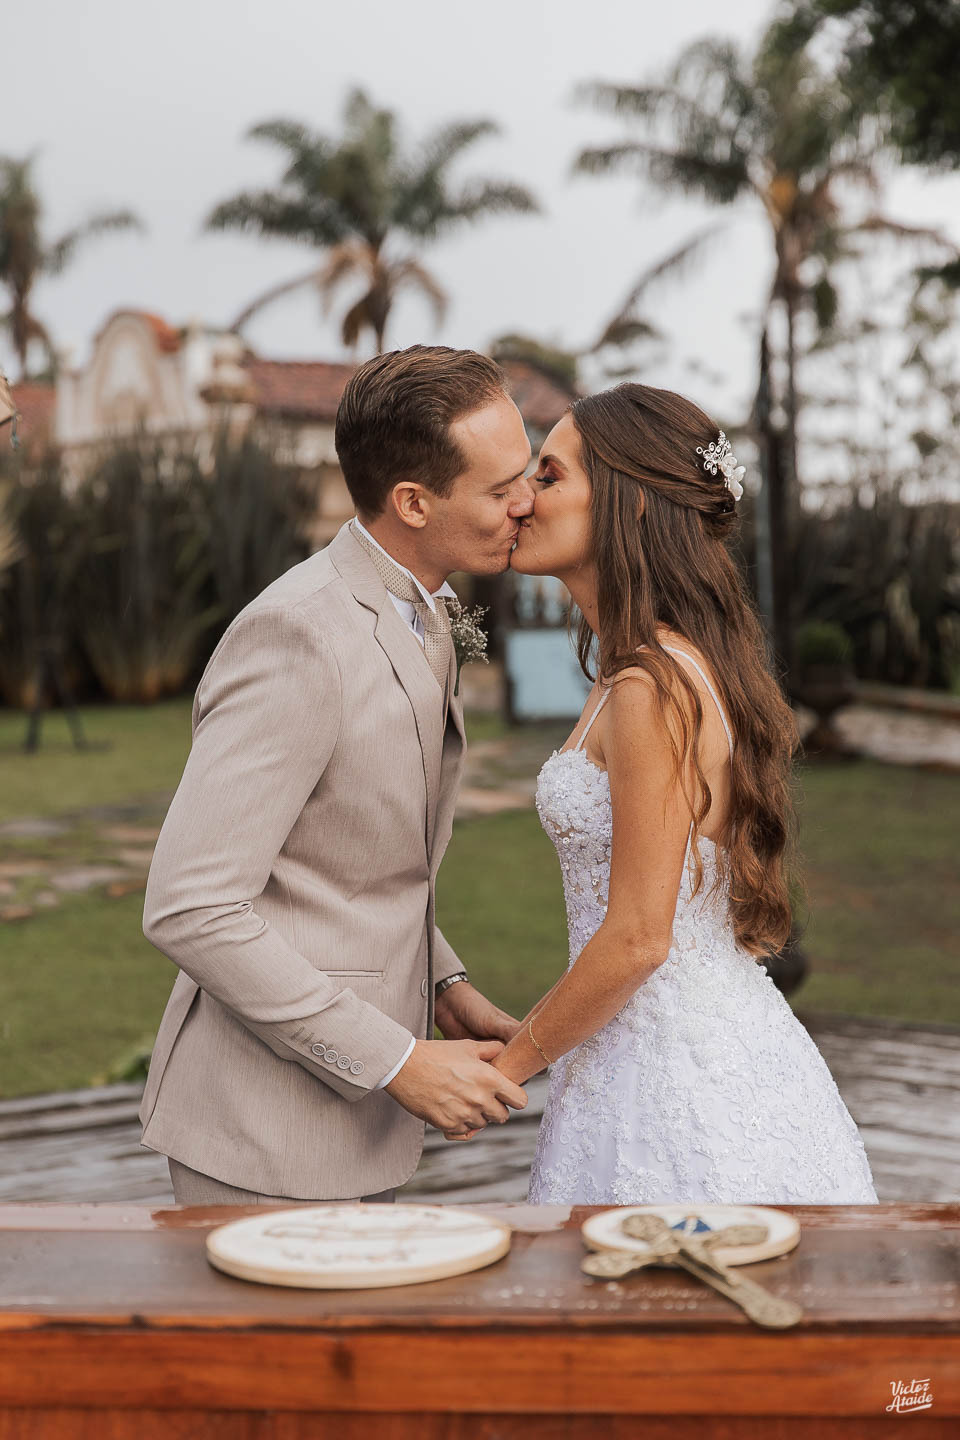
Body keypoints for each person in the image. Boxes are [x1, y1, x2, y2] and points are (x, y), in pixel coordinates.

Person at [451, 382, 879, 1205]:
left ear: (630, 507)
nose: (521, 500)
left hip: (673, 1083)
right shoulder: (645, 667)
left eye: (549, 476)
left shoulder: (651, 683)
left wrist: (502, 1075)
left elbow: (642, 937)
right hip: (651, 1052)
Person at [140, 345, 533, 1204]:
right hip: (264, 1131)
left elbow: (346, 861)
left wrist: (441, 979)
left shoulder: (419, 609)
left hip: (361, 1131)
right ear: (413, 503)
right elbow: (190, 904)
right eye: (502, 487)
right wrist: (394, 1059)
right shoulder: (299, 635)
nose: (526, 503)